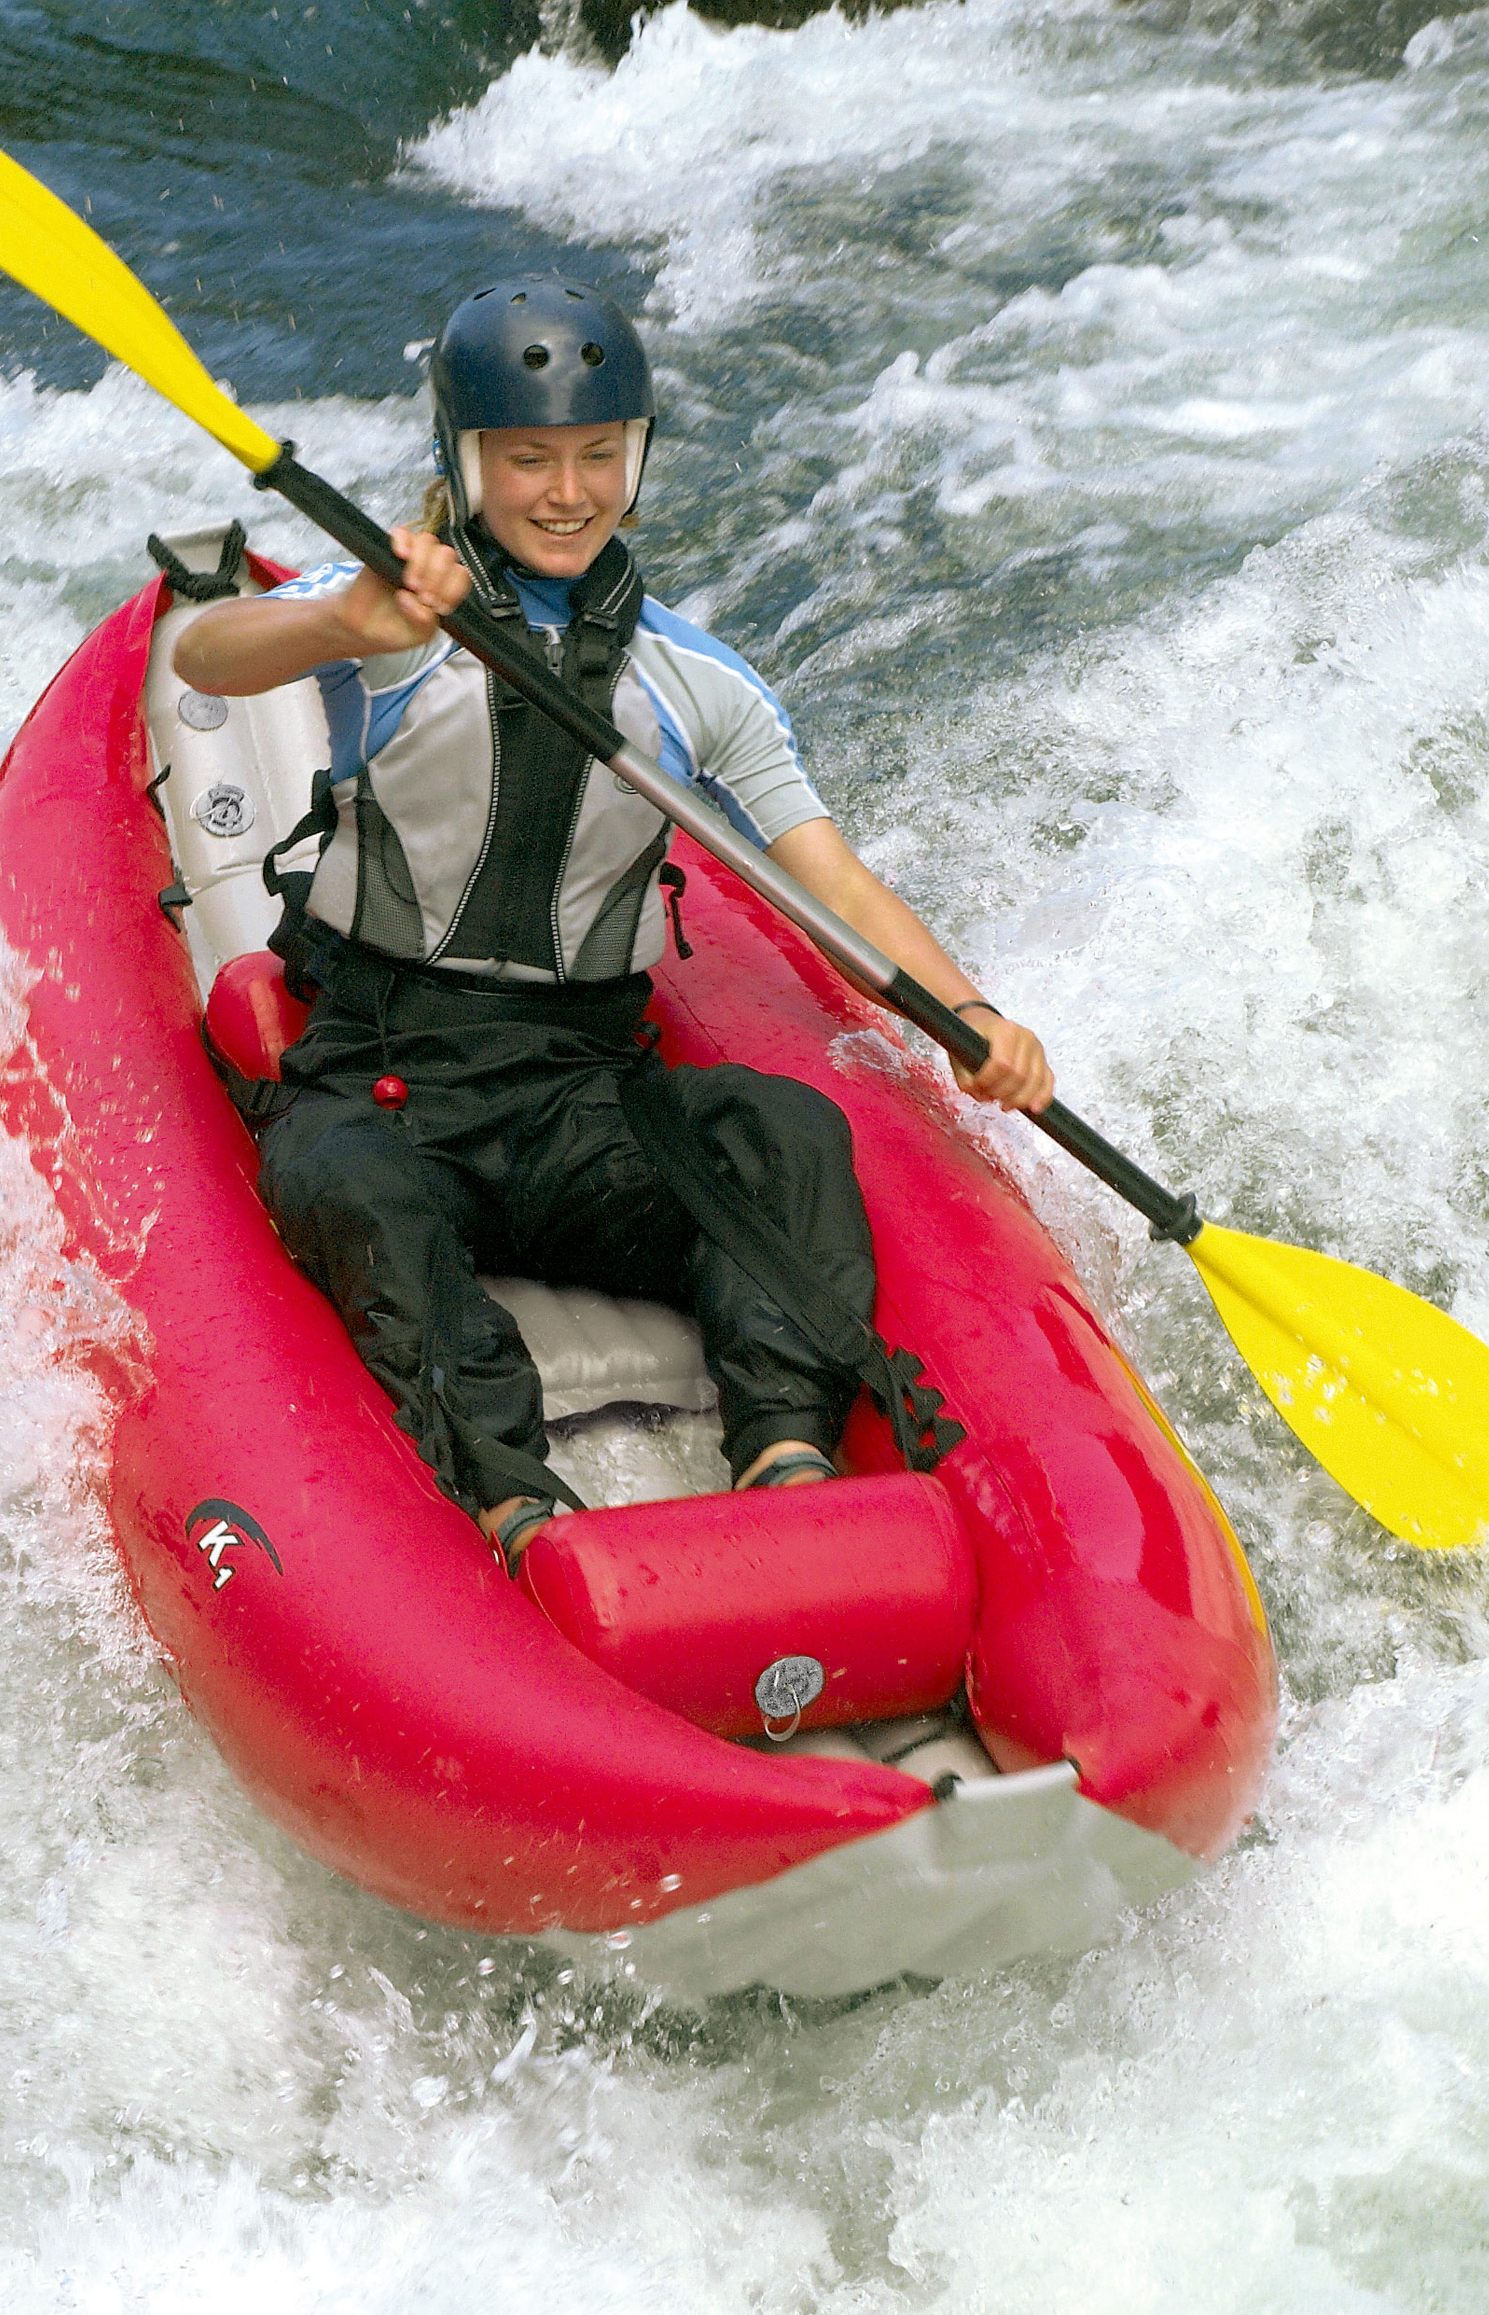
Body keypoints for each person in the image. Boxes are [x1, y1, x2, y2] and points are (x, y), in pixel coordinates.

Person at [172, 275, 1053, 1568]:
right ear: (464, 462)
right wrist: (336, 620)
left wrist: (969, 1017)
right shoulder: (398, 622)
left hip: (586, 1090)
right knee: (340, 1181)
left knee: (785, 1135)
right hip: (388, 1073)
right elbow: (212, 655)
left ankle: (785, 1450)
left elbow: (840, 889)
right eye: (527, 458)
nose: (566, 490)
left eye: (598, 455)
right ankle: (513, 1500)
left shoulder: (697, 682)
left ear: (635, 462)